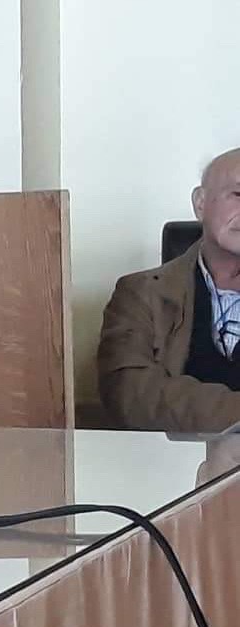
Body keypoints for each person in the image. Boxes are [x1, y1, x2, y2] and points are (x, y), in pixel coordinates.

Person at [99, 147, 240, 433]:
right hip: (175, 459)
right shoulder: (140, 293)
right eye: (238, 194)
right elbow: (129, 395)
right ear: (200, 203)